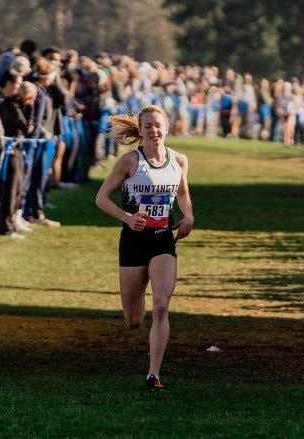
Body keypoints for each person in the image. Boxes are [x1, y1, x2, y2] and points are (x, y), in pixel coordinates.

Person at [95, 105, 194, 391]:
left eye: (158, 125)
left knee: (161, 306)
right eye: (148, 126)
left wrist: (188, 216)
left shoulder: (179, 161)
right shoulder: (130, 162)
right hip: (133, 242)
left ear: (167, 127)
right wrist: (127, 217)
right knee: (134, 320)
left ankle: (153, 374)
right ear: (140, 131)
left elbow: (184, 194)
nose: (154, 131)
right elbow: (101, 198)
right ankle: (138, 324)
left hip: (162, 239)